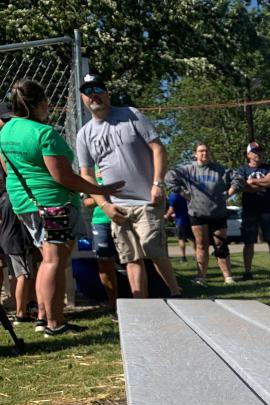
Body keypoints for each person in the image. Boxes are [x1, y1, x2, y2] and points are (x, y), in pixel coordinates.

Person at [0, 79, 123, 336]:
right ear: (40, 103)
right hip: (53, 205)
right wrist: (101, 189)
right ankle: (54, 323)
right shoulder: (44, 133)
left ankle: (46, 318)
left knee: (48, 260)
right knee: (54, 261)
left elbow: (7, 168)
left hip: (25, 203)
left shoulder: (5, 132)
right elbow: (62, 177)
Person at [75, 73, 180, 299]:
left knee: (153, 247)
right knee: (130, 256)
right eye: (88, 92)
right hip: (117, 206)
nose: (94, 96)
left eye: (98, 90)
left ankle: (176, 293)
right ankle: (139, 305)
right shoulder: (84, 134)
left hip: (146, 199)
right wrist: (104, 205)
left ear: (107, 93)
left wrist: (158, 183)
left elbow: (158, 148)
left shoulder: (131, 115)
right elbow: (87, 174)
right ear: (83, 98)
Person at [165, 143, 238, 286]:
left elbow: (238, 178)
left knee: (220, 245)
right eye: (201, 151)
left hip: (218, 213)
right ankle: (201, 278)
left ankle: (228, 277)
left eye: (206, 151)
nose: (204, 153)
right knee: (201, 245)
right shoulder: (188, 169)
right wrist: (184, 193)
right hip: (197, 213)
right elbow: (169, 177)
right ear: (195, 154)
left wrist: (229, 193)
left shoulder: (220, 170)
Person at [0, 100, 37, 326]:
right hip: (9, 204)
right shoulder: (5, 144)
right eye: (5, 120)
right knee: (20, 261)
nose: (8, 124)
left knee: (17, 261)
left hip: (6, 204)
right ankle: (21, 311)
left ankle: (24, 306)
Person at [236, 141, 270, 280]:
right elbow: (241, 186)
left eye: (260, 151)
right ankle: (247, 272)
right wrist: (261, 184)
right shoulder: (242, 170)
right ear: (249, 154)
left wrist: (253, 183)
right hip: (250, 211)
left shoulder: (267, 167)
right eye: (256, 151)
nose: (259, 154)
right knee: (249, 242)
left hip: (267, 210)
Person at [81, 166, 118, 316]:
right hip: (101, 222)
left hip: (123, 218)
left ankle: (137, 301)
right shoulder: (89, 171)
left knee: (132, 261)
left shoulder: (118, 163)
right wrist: (102, 198)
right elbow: (86, 202)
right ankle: (113, 304)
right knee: (104, 262)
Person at [165, 189, 190, 263]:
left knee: (181, 239)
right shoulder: (186, 193)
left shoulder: (173, 196)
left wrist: (166, 217)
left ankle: (183, 257)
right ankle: (198, 255)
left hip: (180, 220)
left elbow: (171, 209)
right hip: (189, 218)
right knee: (191, 238)